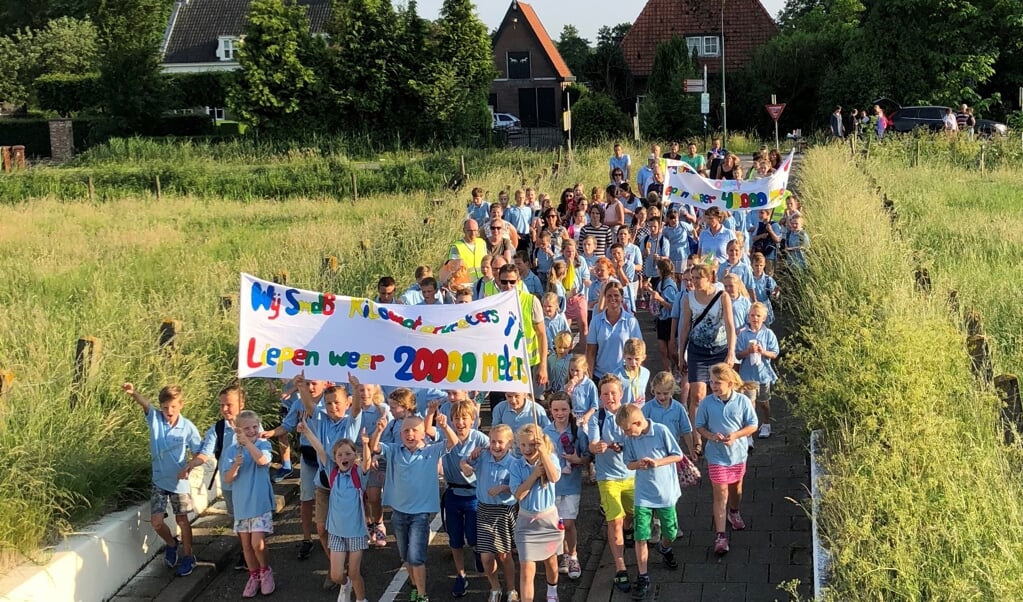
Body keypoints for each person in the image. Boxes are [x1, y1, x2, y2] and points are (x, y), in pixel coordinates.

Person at [367, 406, 459, 602]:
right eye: (406, 431)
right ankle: (416, 586)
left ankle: (422, 595)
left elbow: (453, 443)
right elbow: (375, 447)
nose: (410, 434)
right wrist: (378, 430)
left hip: (420, 515)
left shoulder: (432, 451)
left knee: (416, 557)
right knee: (406, 557)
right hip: (398, 513)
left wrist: (444, 425)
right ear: (400, 434)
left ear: (423, 433)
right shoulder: (393, 450)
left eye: (414, 430)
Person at [121, 382, 202, 577]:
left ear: (181, 405)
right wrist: (133, 393)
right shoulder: (155, 419)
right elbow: (145, 404)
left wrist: (189, 466)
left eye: (173, 406)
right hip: (159, 480)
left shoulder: (188, 427)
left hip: (179, 483)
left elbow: (199, 452)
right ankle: (172, 544)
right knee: (156, 522)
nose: (169, 411)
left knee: (182, 520)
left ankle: (188, 556)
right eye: (165, 407)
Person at [178, 383, 248, 571]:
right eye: (221, 405)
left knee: (250, 518)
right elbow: (206, 452)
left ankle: (254, 554)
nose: (224, 409)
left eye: (229, 405)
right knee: (238, 520)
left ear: (242, 403)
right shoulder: (217, 428)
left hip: (249, 481)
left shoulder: (251, 424)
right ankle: (245, 552)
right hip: (229, 483)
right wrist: (192, 464)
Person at [671, 263, 737, 457]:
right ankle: (697, 437)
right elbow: (684, 326)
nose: (694, 282)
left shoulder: (722, 296)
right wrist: (681, 352)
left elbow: (730, 325)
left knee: (720, 390)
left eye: (698, 278)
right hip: (697, 350)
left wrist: (731, 351)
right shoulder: (689, 298)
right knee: (697, 394)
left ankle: (722, 428)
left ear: (709, 278)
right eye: (692, 278)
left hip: (719, 348)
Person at [617, 403, 683, 596]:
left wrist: (657, 463)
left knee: (670, 532)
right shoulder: (630, 439)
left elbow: (677, 455)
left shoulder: (661, 431)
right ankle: (643, 575)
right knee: (641, 535)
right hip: (643, 495)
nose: (626, 434)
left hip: (665, 494)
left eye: (628, 430)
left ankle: (664, 548)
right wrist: (638, 464)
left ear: (638, 422)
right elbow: (628, 464)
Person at [302, 421, 371, 602]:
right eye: (340, 454)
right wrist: (307, 431)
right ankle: (345, 584)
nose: (344, 457)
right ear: (335, 458)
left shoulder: (358, 475)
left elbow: (367, 464)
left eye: (348, 453)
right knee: (336, 575)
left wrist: (365, 444)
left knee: (355, 572)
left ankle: (361, 599)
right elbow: (320, 450)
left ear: (355, 456)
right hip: (336, 533)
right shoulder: (333, 473)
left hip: (356, 532)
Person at [694, 363, 758, 555]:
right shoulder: (706, 402)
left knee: (736, 489)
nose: (713, 386)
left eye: (717, 382)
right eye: (711, 382)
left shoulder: (742, 401)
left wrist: (737, 435)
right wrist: (711, 436)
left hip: (738, 454)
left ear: (730, 383)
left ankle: (734, 511)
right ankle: (720, 536)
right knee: (720, 493)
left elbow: (753, 425)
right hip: (716, 456)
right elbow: (700, 425)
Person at [586, 375, 635, 593]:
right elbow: (593, 444)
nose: (609, 397)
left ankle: (629, 528)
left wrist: (621, 446)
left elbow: (637, 437)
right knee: (614, 521)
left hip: (632, 474)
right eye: (605, 393)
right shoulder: (596, 418)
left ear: (621, 394)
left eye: (613, 392)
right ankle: (620, 567)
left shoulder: (630, 414)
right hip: (608, 479)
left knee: (631, 515)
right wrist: (597, 447)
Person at [461, 425, 519, 602]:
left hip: (503, 511)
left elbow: (520, 488)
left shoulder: (514, 463)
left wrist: (504, 488)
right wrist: (465, 464)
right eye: (493, 441)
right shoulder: (484, 456)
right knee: (486, 556)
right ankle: (495, 587)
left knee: (504, 555)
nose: (495, 446)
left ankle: (511, 589)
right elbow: (464, 462)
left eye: (500, 442)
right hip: (484, 509)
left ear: (509, 444)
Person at [439, 400, 490, 598]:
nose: (460, 422)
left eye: (464, 418)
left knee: (473, 535)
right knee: (455, 539)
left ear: (473, 420)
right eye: (456, 418)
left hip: (474, 495)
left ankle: (477, 551)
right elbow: (427, 436)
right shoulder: (445, 437)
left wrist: (482, 454)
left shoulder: (481, 439)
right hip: (452, 493)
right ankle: (460, 575)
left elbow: (499, 453)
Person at [223, 410, 276, 597]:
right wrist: (236, 465)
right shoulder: (232, 451)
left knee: (257, 544)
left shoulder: (263, 444)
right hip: (242, 504)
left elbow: (262, 460)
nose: (252, 430)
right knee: (246, 546)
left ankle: (265, 570)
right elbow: (228, 478)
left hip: (260, 503)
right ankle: (254, 576)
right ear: (239, 430)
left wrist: (248, 444)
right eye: (247, 428)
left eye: (254, 427)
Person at [510, 424, 563, 602]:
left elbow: (554, 477)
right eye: (523, 445)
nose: (527, 449)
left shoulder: (551, 458)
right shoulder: (516, 465)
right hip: (526, 522)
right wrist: (533, 475)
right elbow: (518, 494)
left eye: (532, 445)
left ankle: (552, 591)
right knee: (526, 569)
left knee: (551, 561)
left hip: (549, 521)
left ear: (540, 443)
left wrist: (544, 455)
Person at [543, 393, 590, 582]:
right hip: (551, 486)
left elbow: (588, 457)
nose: (559, 413)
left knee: (568, 524)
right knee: (556, 524)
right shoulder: (545, 432)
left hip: (571, 485)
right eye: (555, 410)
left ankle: (573, 555)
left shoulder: (577, 431)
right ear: (550, 411)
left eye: (563, 409)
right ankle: (563, 554)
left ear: (570, 409)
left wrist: (578, 460)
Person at [497, 264, 549, 398]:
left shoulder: (531, 301)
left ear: (519, 281)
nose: (508, 285)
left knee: (531, 403)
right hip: (505, 364)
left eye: (512, 282)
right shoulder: (494, 303)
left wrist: (543, 366)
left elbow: (542, 335)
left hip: (530, 364)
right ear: (498, 281)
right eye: (504, 281)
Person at [736, 302, 780, 439]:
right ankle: (749, 432)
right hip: (747, 374)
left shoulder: (768, 334)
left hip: (763, 374)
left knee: (764, 402)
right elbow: (737, 354)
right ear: (748, 317)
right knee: (749, 402)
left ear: (764, 318)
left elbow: (775, 353)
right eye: (752, 315)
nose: (755, 318)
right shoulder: (743, 335)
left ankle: (766, 423)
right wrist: (747, 351)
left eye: (758, 316)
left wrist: (763, 352)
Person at [586, 281, 642, 382]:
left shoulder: (631, 321)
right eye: (609, 296)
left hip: (624, 377)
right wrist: (589, 378)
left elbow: (638, 351)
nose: (613, 299)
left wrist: (636, 378)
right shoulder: (596, 321)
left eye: (616, 295)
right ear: (604, 298)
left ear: (622, 298)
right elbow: (591, 351)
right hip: (600, 377)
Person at [642, 371, 696, 459]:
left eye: (665, 393)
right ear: (653, 390)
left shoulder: (678, 408)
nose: (661, 397)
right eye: (658, 393)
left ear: (672, 391)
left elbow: (686, 430)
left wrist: (691, 449)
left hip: (672, 450)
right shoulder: (647, 408)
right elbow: (640, 430)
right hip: (652, 451)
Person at [646, 257, 680, 370]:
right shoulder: (661, 283)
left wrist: (660, 300)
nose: (657, 271)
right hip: (661, 319)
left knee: (672, 351)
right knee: (662, 350)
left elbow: (673, 307)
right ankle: (668, 373)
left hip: (669, 321)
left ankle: (678, 368)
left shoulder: (670, 286)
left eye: (658, 268)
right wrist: (650, 290)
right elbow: (657, 296)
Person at [492, 392, 551, 456]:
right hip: (508, 453)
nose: (513, 400)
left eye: (517, 396)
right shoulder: (500, 408)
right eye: (509, 396)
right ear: (505, 395)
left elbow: (547, 432)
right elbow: (495, 431)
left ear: (525, 394)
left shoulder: (536, 409)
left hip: (531, 452)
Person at [558, 240, 591, 338]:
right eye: (568, 251)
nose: (571, 254)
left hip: (579, 296)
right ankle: (566, 350)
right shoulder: (558, 261)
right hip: (564, 297)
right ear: (563, 251)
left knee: (584, 326)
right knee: (565, 329)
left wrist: (594, 286)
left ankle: (585, 352)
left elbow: (586, 279)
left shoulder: (581, 260)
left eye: (573, 251)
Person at [563, 354, 600, 427]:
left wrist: (587, 416)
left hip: (584, 418)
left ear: (584, 369)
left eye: (577, 370)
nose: (574, 373)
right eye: (572, 370)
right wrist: (567, 388)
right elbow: (562, 399)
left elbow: (595, 405)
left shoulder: (589, 384)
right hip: (570, 417)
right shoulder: (567, 382)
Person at [615, 337, 650, 408]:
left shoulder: (646, 373)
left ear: (643, 357)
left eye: (637, 359)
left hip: (640, 412)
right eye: (629, 359)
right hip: (622, 412)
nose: (633, 363)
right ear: (624, 356)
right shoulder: (617, 375)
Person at [450, 218, 488, 283]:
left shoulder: (482, 243)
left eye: (475, 230)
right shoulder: (456, 246)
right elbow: (453, 269)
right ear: (464, 230)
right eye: (469, 230)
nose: (473, 233)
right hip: (465, 284)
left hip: (482, 282)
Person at [749, 252, 778, 324]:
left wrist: (775, 293)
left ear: (764, 265)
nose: (758, 268)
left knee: (766, 327)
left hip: (765, 306)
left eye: (761, 265)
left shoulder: (768, 279)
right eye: (756, 265)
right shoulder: (749, 279)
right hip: (753, 306)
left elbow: (774, 291)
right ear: (752, 265)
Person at [750, 209, 782, 276]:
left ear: (768, 214)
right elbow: (753, 238)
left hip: (769, 255)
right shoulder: (760, 224)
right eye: (759, 213)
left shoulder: (774, 225)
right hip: (760, 254)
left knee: (768, 275)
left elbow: (777, 240)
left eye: (762, 213)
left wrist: (770, 231)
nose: (760, 215)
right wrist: (761, 236)